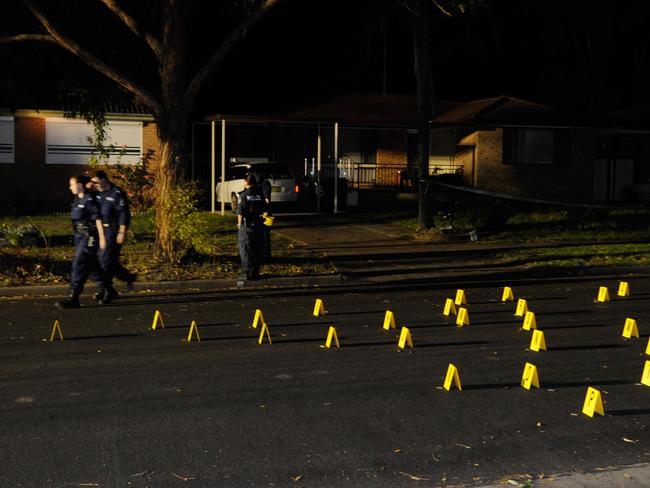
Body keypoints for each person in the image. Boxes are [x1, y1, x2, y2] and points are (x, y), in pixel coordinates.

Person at [55, 175, 109, 309]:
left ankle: (74, 298)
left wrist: (102, 238)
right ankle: (108, 289)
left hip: (90, 238)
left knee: (79, 262)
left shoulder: (89, 199)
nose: (70, 187)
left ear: (80, 185)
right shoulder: (76, 199)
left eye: (72, 184)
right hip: (80, 237)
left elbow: (97, 219)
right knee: (91, 265)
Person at [91, 170, 136, 302]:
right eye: (93, 183)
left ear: (104, 180)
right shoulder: (97, 194)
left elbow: (124, 214)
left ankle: (108, 290)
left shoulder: (116, 193)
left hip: (112, 231)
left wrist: (122, 232)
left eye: (97, 182)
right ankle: (127, 277)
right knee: (102, 259)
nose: (95, 185)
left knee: (105, 259)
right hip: (97, 232)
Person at [236, 173, 265, 280]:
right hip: (258, 225)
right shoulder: (259, 194)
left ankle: (247, 272)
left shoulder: (243, 195)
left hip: (247, 226)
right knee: (257, 248)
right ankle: (256, 271)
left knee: (245, 249)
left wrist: (239, 224)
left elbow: (240, 212)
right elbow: (264, 209)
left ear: (246, 181)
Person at [260, 175, 273, 261]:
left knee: (265, 234)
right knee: (265, 235)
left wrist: (266, 212)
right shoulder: (265, 183)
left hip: (265, 214)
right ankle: (266, 253)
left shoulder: (264, 184)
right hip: (266, 212)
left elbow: (267, 199)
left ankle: (266, 254)